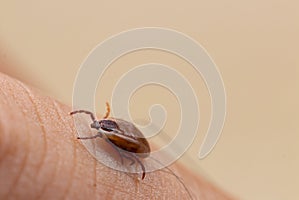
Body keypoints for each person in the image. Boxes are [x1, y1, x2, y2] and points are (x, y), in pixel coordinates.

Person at [0, 64, 234, 199]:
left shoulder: (109, 132)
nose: (95, 126)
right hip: (136, 145)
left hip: (137, 148)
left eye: (99, 124)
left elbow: (121, 146)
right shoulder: (109, 127)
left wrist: (91, 135)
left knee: (120, 150)